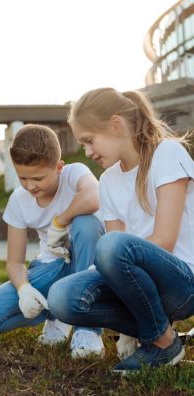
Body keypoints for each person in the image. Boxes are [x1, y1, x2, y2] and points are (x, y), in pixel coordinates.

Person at [48, 87, 194, 373]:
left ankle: (160, 342)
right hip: (141, 284)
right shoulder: (109, 180)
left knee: (111, 246)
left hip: (184, 284)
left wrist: (112, 256)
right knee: (62, 297)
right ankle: (158, 335)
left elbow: (164, 241)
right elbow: (112, 258)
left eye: (90, 141)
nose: (88, 152)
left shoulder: (167, 153)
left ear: (116, 124)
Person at [0, 124, 106, 358]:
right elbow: (14, 262)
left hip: (89, 265)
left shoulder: (74, 173)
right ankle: (57, 315)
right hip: (52, 267)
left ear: (59, 167)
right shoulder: (19, 200)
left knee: (86, 223)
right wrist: (24, 290)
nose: (30, 185)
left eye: (38, 178)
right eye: (23, 177)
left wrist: (60, 222)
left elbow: (94, 198)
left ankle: (88, 330)